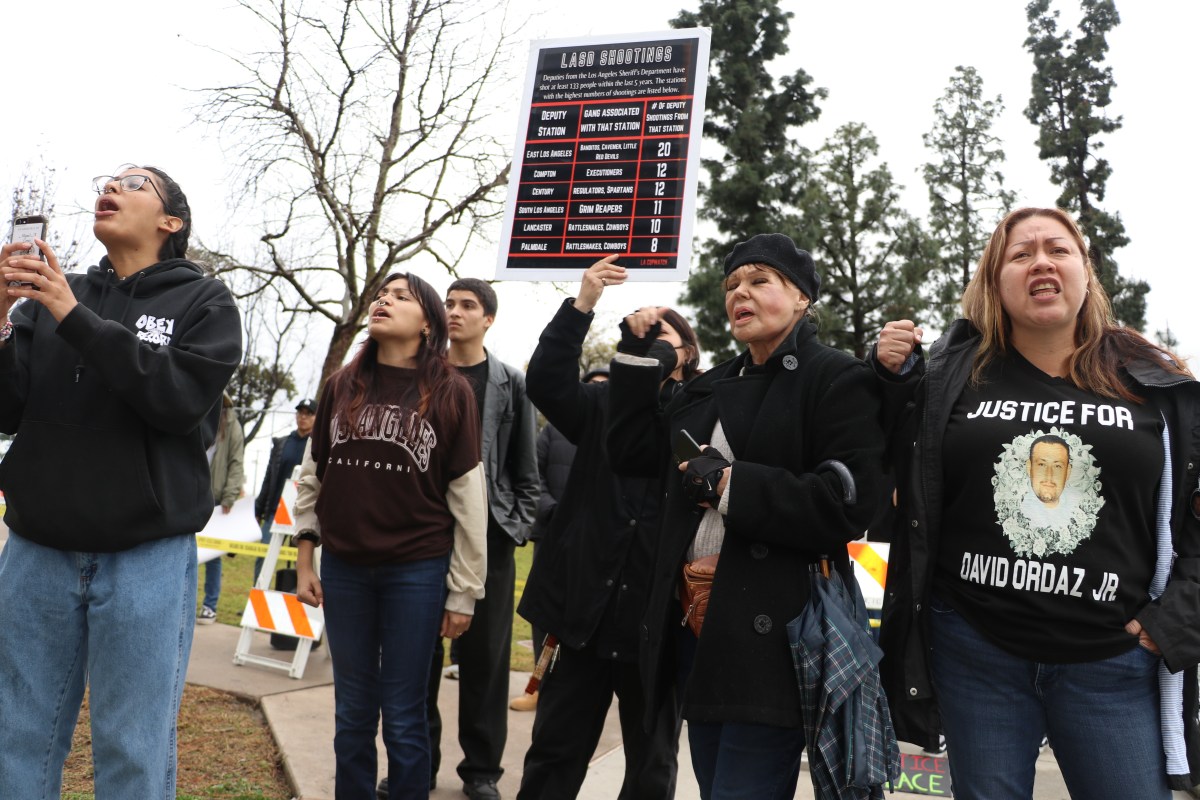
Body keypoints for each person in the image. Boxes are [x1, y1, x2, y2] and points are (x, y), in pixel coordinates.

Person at [873, 207, 1200, 798]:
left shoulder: (1158, 385)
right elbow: (885, 481)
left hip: (1114, 661)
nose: (1041, 261)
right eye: (1020, 254)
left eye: (1058, 249)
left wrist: (1167, 626)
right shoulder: (949, 376)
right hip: (974, 654)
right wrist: (888, 383)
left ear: (1085, 271)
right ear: (995, 281)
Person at [606, 234, 886, 799]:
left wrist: (731, 485)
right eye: (732, 284)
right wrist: (640, 357)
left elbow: (849, 504)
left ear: (802, 297)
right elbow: (631, 452)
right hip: (694, 629)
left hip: (774, 634)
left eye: (760, 280)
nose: (741, 293)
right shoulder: (709, 386)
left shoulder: (835, 377)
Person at [0, 166, 242, 798]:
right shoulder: (58, 293)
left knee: (131, 745)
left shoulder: (205, 302)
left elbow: (177, 401)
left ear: (172, 221)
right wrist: (1, 317)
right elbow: (5, 409)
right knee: (17, 735)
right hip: (36, 551)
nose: (111, 187)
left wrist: (70, 315)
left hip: (146, 559)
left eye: (135, 183)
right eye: (107, 180)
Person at [292, 272, 487, 800]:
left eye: (402, 297)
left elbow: (469, 498)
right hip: (345, 570)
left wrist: (463, 591)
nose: (384, 301)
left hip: (416, 570)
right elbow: (312, 478)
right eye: (383, 294)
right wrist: (306, 560)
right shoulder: (341, 386)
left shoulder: (451, 392)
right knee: (352, 711)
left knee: (404, 714)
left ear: (428, 322)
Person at [517, 257, 693, 799]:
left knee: (652, 768)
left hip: (658, 628)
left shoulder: (704, 415)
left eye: (662, 329)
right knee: (554, 755)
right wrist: (585, 301)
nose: (648, 331)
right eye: (638, 327)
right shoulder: (599, 406)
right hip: (580, 619)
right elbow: (545, 380)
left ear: (688, 354)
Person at [423, 277, 538, 800]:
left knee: (486, 664)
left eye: (468, 305)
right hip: (423, 538)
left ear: (488, 318)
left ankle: (482, 773)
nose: (456, 312)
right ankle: (416, 765)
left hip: (490, 543)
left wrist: (511, 528)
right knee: (416, 661)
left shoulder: (510, 382)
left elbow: (526, 473)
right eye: (449, 304)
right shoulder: (422, 375)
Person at [510, 364, 609, 714]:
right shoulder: (553, 432)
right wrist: (555, 513)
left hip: (598, 545)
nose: (599, 393)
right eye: (592, 387)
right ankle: (538, 686)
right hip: (552, 537)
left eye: (606, 388)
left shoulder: (618, 435)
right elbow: (531, 477)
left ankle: (581, 693)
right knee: (544, 614)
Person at [253, 397, 316, 582]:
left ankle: (299, 605)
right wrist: (258, 509)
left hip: (303, 514)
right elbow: (268, 478)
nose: (303, 417)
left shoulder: (317, 445)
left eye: (308, 413)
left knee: (304, 563)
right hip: (274, 512)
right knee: (262, 559)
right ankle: (257, 600)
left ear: (316, 417)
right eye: (300, 412)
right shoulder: (282, 443)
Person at [200, 391, 247, 623]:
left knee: (212, 554)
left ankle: (210, 605)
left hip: (216, 499)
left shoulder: (232, 426)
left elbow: (236, 462)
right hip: (193, 495)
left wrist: (230, 495)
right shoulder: (198, 416)